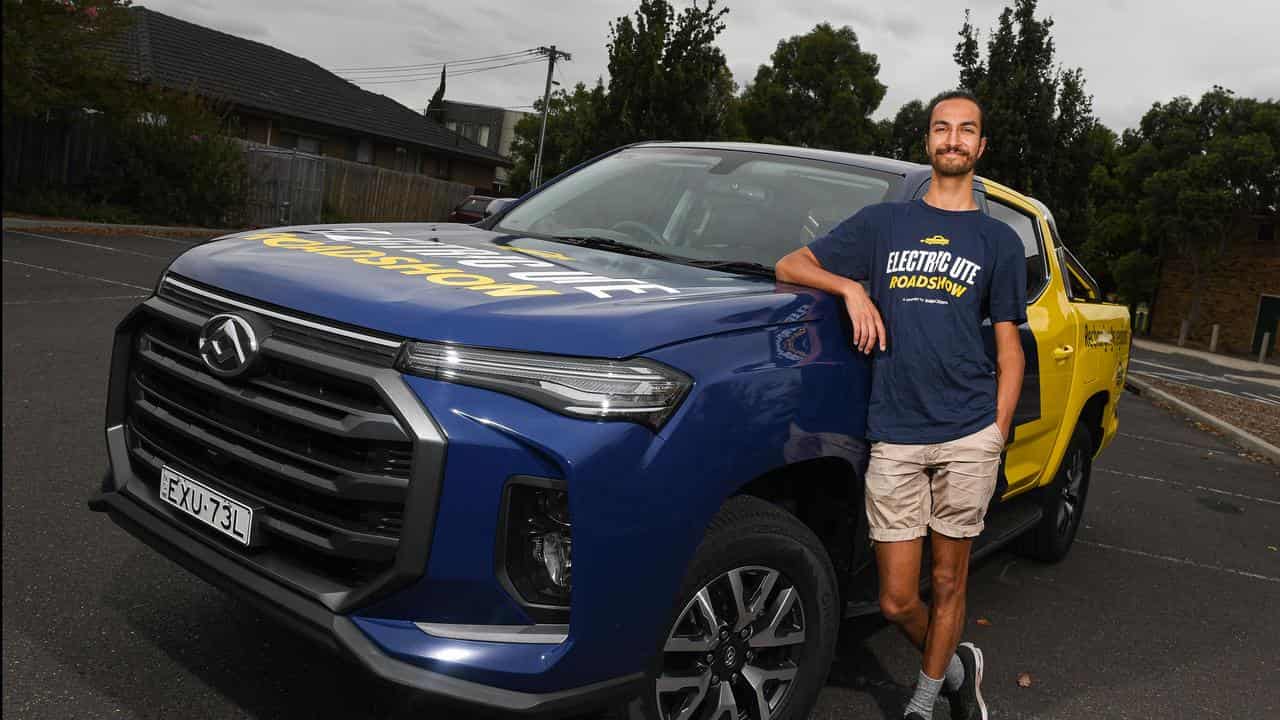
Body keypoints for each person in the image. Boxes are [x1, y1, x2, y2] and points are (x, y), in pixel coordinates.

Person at [775, 89, 1026, 720]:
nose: (953, 140)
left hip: (970, 431)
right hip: (896, 434)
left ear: (981, 146)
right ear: (928, 140)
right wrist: (851, 288)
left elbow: (1010, 348)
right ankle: (955, 666)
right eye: (942, 128)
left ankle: (925, 699)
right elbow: (790, 264)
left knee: (947, 582)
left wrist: (995, 432)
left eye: (966, 130)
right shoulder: (884, 225)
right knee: (894, 599)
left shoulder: (997, 242)